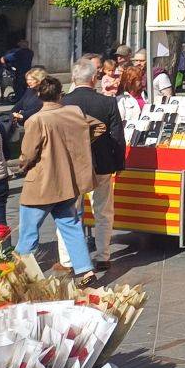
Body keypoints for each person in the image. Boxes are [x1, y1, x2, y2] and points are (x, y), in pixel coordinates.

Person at [14, 76, 102, 287]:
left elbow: (27, 154)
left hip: (41, 184)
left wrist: (22, 166)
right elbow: (100, 127)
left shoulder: (36, 120)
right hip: (67, 183)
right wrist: (79, 145)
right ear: (59, 94)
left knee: (28, 231)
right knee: (70, 226)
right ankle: (85, 270)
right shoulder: (75, 113)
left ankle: (17, 276)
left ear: (39, 95)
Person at [56, 59, 125, 274]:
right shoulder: (107, 103)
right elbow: (117, 137)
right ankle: (103, 256)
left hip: (72, 166)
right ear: (94, 79)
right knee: (103, 210)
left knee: (69, 212)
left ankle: (68, 259)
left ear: (74, 79)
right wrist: (119, 163)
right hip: (102, 164)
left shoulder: (62, 103)